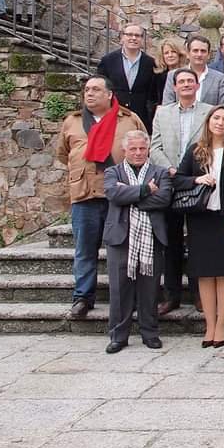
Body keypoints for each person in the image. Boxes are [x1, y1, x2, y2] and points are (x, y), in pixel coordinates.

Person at [56, 76, 147, 320]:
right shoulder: (72, 122)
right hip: (85, 194)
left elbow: (142, 151)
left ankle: (129, 295)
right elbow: (63, 154)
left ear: (109, 95)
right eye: (87, 90)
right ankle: (83, 297)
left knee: (126, 248)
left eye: (96, 89)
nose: (89, 94)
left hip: (119, 196)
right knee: (85, 249)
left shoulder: (129, 120)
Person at [176, 106, 224, 347]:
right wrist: (196, 179)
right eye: (216, 118)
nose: (220, 122)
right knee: (204, 275)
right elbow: (177, 178)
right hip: (201, 220)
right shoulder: (195, 151)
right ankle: (209, 324)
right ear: (209, 121)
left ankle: (222, 324)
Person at [102, 131, 173, 353]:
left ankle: (150, 332)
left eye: (142, 148)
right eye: (133, 149)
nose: (138, 153)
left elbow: (164, 198)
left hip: (151, 236)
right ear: (124, 151)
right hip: (121, 238)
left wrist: (130, 196)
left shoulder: (160, 172)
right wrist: (145, 190)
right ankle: (118, 335)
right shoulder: (113, 171)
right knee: (119, 289)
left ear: (148, 149)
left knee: (150, 289)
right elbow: (113, 194)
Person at [149, 69, 213, 314]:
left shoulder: (209, 111)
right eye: (181, 82)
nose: (186, 85)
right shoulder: (162, 113)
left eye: (190, 81)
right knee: (171, 242)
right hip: (169, 180)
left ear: (197, 85)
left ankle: (199, 294)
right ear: (174, 87)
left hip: (198, 181)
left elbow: (213, 141)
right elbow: (155, 146)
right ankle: (172, 295)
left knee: (197, 241)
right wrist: (170, 168)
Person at [96, 24, 159, 132]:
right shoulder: (108, 60)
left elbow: (153, 93)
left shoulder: (150, 63)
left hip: (141, 117)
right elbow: (100, 87)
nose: (133, 38)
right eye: (129, 34)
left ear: (142, 39)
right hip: (114, 115)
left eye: (137, 35)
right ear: (122, 37)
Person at [162, 35, 222, 106]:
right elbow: (167, 105)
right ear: (188, 54)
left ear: (208, 55)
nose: (199, 54)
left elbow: (222, 108)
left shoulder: (219, 79)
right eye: (195, 51)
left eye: (203, 51)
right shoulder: (173, 75)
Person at [152, 37, 187, 117]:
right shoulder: (157, 76)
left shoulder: (187, 73)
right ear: (162, 56)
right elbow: (152, 99)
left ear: (179, 54)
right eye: (166, 53)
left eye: (173, 52)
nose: (170, 55)